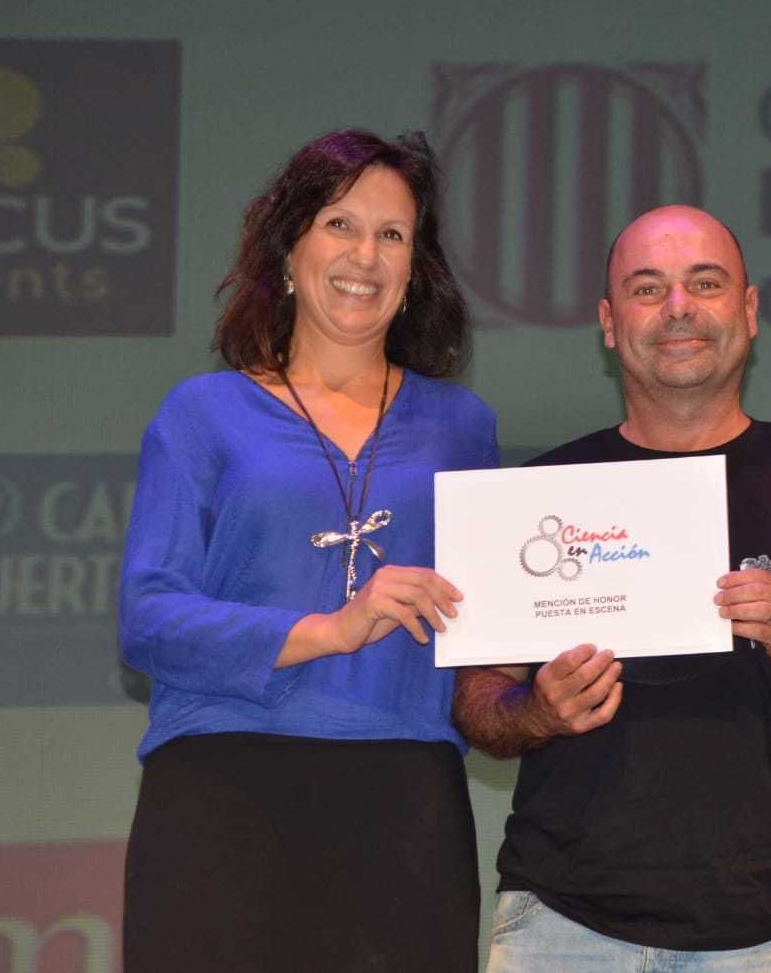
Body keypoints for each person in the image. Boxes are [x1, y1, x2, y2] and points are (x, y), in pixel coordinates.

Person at [453, 205, 771, 970]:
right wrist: (538, 708)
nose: (677, 307)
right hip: (560, 923)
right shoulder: (540, 495)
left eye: (704, 283)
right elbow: (478, 702)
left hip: (761, 933)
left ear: (748, 310)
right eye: (647, 289)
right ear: (609, 323)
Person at [118, 129, 496, 972]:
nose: (365, 254)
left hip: (405, 802)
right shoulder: (202, 413)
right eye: (339, 224)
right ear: (288, 250)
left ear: (414, 270)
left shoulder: (463, 427)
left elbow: (488, 625)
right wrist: (327, 629)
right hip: (222, 791)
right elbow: (146, 617)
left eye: (392, 234)